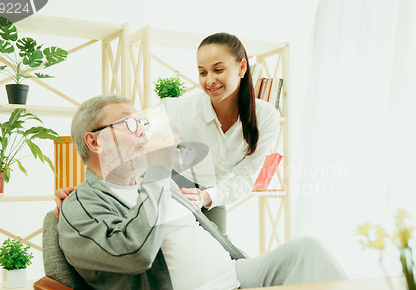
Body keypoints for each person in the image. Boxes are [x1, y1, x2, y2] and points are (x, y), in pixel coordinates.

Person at [57, 93, 347, 290]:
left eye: (143, 123)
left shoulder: (159, 181)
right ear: (94, 141)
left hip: (236, 278)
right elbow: (135, 253)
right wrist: (156, 168)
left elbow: (214, 174)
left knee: (307, 251)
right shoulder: (81, 207)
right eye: (130, 124)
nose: (144, 132)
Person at [56, 32, 279, 234]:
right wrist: (85, 190)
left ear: (242, 68)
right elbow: (132, 147)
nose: (209, 80)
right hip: (168, 184)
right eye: (202, 72)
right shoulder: (179, 110)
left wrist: (206, 197)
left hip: (213, 194)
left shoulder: (266, 117)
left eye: (218, 70)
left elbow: (245, 177)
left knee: (222, 253)